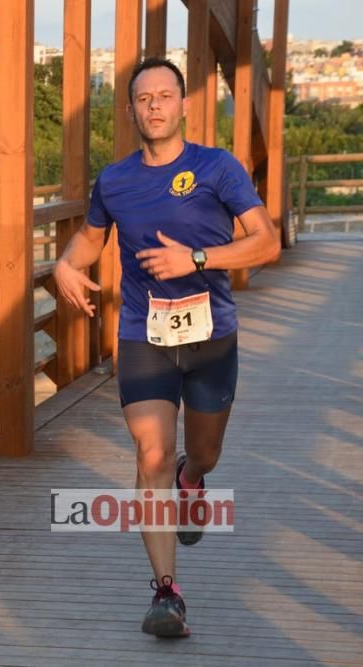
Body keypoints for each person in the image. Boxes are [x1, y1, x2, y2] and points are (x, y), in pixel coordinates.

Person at [53, 57, 280, 638]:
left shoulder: (217, 167)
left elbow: (266, 243)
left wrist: (196, 259)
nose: (154, 105)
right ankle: (166, 594)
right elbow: (89, 237)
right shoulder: (116, 180)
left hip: (211, 337)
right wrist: (64, 266)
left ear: (183, 106)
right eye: (143, 98)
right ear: (130, 111)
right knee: (149, 455)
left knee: (202, 452)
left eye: (164, 95)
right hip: (143, 335)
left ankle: (193, 478)